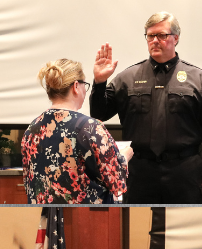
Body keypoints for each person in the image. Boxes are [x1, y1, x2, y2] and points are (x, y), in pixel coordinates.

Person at [90, 12, 202, 204]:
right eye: (150, 36)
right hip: (140, 172)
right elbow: (99, 114)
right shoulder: (127, 78)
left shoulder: (198, 79)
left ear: (176, 38)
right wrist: (100, 82)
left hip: (185, 171)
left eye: (162, 35)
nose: (155, 41)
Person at [21, 59, 130, 204]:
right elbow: (116, 182)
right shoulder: (90, 127)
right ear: (76, 86)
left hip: (44, 218)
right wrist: (124, 156)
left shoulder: (32, 128)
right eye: (85, 85)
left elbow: (30, 182)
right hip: (84, 219)